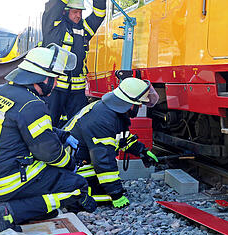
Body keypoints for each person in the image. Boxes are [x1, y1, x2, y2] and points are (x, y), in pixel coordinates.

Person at [0, 44, 96, 233]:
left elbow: (22, 127)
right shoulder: (32, 104)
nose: (56, 84)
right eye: (55, 79)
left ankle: (30, 209)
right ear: (41, 78)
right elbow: (50, 154)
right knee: (75, 185)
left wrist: (63, 135)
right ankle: (9, 212)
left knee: (45, 176)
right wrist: (70, 165)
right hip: (1, 181)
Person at [64, 77, 159, 208]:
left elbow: (122, 138)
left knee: (105, 183)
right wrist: (116, 194)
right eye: (139, 104)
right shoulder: (103, 120)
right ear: (130, 103)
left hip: (79, 159)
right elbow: (103, 161)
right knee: (97, 193)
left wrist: (141, 151)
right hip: (72, 167)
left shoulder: (112, 112)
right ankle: (74, 195)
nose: (140, 107)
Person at [41, 0, 106, 127]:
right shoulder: (53, 27)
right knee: (49, 124)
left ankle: (72, 152)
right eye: (74, 12)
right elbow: (54, 4)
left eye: (80, 12)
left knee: (75, 126)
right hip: (54, 88)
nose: (78, 15)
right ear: (64, 12)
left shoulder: (84, 29)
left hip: (77, 91)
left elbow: (98, 16)